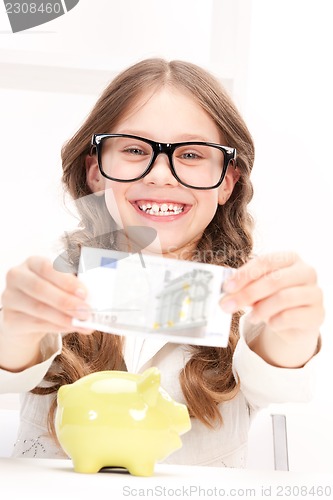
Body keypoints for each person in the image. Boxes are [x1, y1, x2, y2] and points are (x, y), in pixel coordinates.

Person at [0, 58, 324, 467]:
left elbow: (279, 371)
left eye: (190, 154)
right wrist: (15, 328)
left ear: (227, 181)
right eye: (135, 149)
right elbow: (9, 366)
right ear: (96, 171)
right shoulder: (45, 283)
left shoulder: (244, 308)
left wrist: (293, 327)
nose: (161, 174)